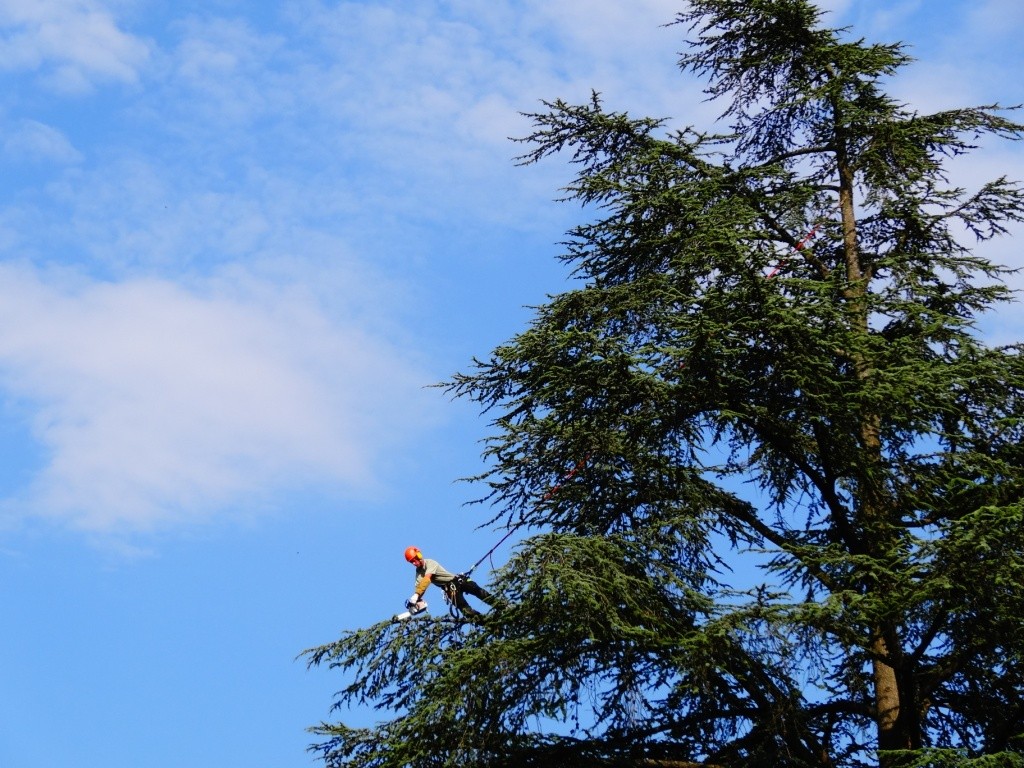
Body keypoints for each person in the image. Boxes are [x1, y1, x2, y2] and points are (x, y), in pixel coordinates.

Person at [403, 546, 496, 618]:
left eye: (414, 560)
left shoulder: (430, 563)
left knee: (479, 592)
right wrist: (414, 600)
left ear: (419, 555)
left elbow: (427, 579)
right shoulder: (418, 573)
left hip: (457, 581)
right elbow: (420, 587)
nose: (414, 563)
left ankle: (501, 606)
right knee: (466, 611)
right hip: (450, 590)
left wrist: (416, 595)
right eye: (411, 562)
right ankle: (487, 623)